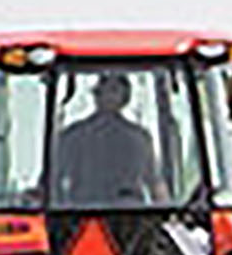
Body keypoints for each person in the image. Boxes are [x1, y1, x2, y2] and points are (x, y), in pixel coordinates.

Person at [55, 72, 165, 205]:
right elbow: (53, 179)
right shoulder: (73, 136)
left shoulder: (139, 138)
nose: (109, 97)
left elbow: (154, 184)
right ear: (96, 95)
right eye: (105, 91)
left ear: (125, 97)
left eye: (113, 91)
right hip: (83, 213)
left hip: (130, 216)